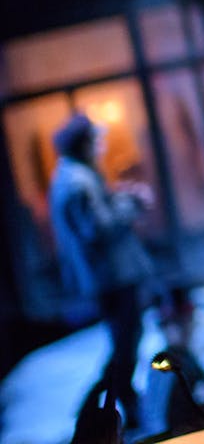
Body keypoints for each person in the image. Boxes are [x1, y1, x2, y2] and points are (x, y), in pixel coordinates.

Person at [48, 111, 157, 430]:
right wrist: (132, 204)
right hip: (112, 276)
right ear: (83, 144)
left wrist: (119, 198)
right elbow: (97, 228)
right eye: (95, 140)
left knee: (125, 341)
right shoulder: (77, 180)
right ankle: (104, 406)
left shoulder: (73, 176)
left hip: (110, 276)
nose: (100, 146)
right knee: (126, 342)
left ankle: (117, 405)